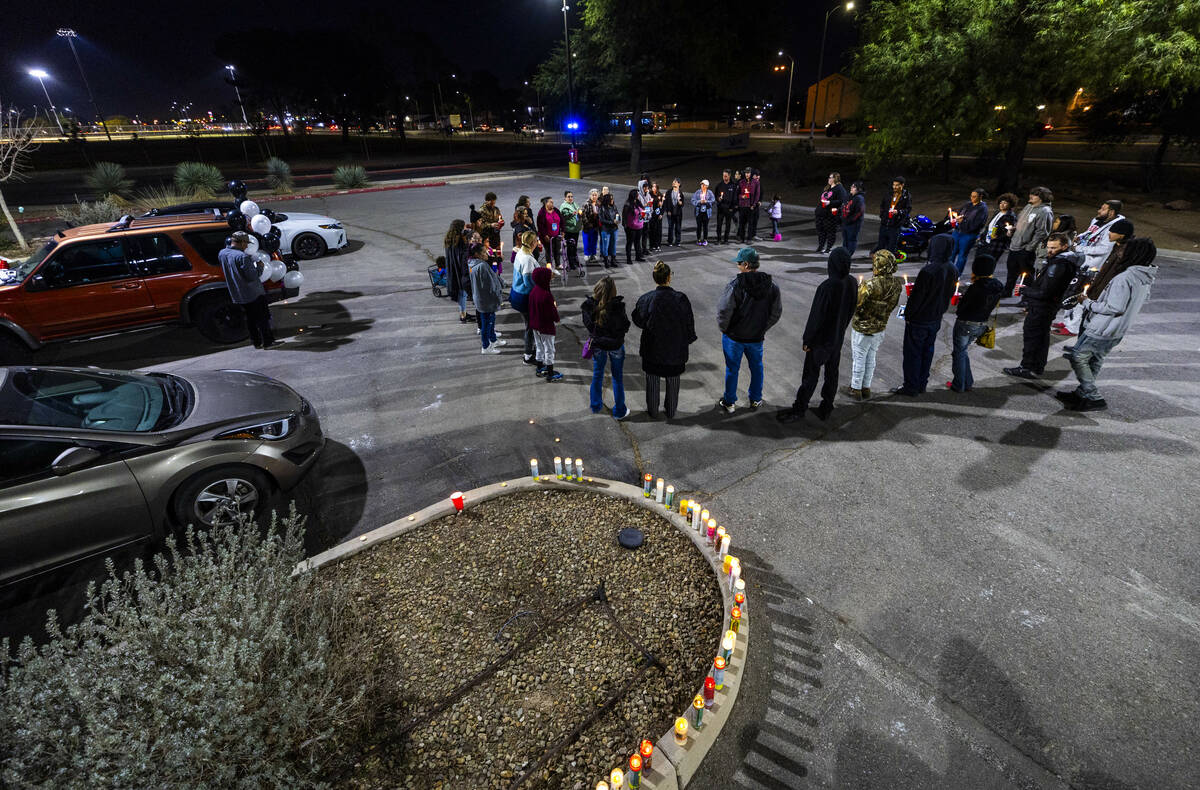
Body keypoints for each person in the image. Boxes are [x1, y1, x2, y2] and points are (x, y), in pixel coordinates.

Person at [1057, 236, 1157, 412]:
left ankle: (1093, 395)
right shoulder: (1145, 277)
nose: (1120, 251)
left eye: (1125, 250)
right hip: (1117, 329)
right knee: (1094, 360)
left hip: (1102, 327)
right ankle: (1082, 394)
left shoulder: (1125, 278)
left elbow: (1114, 307)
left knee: (1078, 357)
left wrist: (1086, 302)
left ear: (1134, 254)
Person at [777, 247, 858, 423]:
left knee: (810, 375)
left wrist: (808, 340)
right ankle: (827, 406)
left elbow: (817, 317)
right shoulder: (851, 282)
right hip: (837, 338)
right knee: (832, 374)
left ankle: (799, 409)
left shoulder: (828, 286)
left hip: (821, 341)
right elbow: (851, 309)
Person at [1003, 231, 1078, 379]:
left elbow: (1045, 292)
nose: (1049, 251)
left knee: (1033, 338)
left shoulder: (1059, 265)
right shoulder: (1065, 261)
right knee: (1042, 338)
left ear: (1064, 246)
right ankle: (1036, 367)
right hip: (1047, 307)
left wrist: (1026, 291)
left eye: (1054, 248)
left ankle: (1027, 367)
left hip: (1042, 308)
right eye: (1048, 247)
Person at [716, 247, 783, 413]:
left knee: (732, 369)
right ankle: (755, 399)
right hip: (756, 338)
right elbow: (776, 312)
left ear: (746, 265)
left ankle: (729, 402)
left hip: (735, 338)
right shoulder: (772, 286)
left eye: (739, 263)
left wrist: (725, 329)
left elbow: (724, 311)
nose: (738, 266)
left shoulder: (735, 285)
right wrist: (762, 328)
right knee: (757, 367)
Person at [892, 233, 957, 396]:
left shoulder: (928, 270)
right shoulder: (952, 269)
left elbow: (917, 298)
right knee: (927, 351)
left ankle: (911, 386)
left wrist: (909, 315)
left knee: (913, 354)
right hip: (935, 317)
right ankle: (921, 383)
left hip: (920, 319)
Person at [632, 261, 697, 419]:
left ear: (655, 278)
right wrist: (685, 341)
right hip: (675, 349)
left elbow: (638, 320)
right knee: (673, 382)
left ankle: (653, 411)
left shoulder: (646, 299)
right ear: (669, 277)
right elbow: (689, 323)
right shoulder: (681, 299)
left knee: (652, 382)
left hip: (652, 348)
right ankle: (670, 411)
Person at [1055, 206, 1127, 336]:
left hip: (1091, 266)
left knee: (1078, 295)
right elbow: (1089, 234)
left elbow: (1103, 249)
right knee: (1069, 293)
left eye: (1103, 209)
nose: (1099, 210)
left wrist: (1080, 249)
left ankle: (1073, 327)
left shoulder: (1114, 228)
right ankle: (1067, 322)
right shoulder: (1098, 221)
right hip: (1081, 261)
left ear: (1111, 212)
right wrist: (1079, 239)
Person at [845, 249, 902, 399]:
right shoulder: (897, 284)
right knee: (871, 357)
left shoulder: (870, 284)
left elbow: (856, 303)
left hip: (863, 328)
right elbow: (892, 305)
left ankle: (855, 388)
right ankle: (866, 387)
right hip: (880, 327)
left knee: (859, 358)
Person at [947, 253, 1005, 392]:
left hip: (966, 323)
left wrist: (960, 301)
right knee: (963, 351)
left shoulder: (976, 287)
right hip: (981, 324)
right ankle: (967, 381)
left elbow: (962, 309)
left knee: (958, 353)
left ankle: (959, 384)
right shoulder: (997, 286)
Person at [581, 276, 632, 419]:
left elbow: (588, 325)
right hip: (615, 345)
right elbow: (625, 326)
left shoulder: (589, 307)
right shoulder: (617, 307)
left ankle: (596, 405)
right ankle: (620, 410)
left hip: (598, 346)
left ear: (597, 289)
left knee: (597, 374)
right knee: (617, 377)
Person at [219, 231, 276, 349]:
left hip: (239, 293)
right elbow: (252, 276)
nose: (247, 246)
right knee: (262, 318)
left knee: (250, 319)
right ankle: (268, 342)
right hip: (253, 293)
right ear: (241, 243)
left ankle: (256, 342)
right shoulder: (243, 257)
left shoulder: (223, 253)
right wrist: (260, 266)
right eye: (246, 244)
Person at [1004, 186, 1054, 298]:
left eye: (1034, 194)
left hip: (1026, 249)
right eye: (1031, 193)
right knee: (1011, 271)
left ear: (1041, 197)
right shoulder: (1028, 206)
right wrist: (1013, 230)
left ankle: (1026, 297)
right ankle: (1007, 291)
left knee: (1026, 275)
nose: (1030, 196)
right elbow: (1020, 221)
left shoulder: (1045, 211)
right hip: (1014, 246)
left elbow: (1042, 232)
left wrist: (1029, 247)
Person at [468, 243, 505, 354]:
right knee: (486, 323)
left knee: (490, 320)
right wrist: (498, 293)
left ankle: (493, 339)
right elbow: (489, 285)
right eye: (484, 252)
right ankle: (486, 346)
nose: (487, 254)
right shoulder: (481, 266)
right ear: (477, 254)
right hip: (486, 299)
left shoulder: (473, 264)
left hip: (481, 298)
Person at [510, 230, 541, 365]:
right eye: (536, 241)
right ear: (533, 242)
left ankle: (531, 349)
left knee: (528, 324)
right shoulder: (527, 259)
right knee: (530, 326)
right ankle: (528, 355)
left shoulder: (521, 253)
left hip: (516, 293)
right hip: (524, 297)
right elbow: (528, 281)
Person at [528, 266, 563, 381]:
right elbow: (552, 313)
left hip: (535, 325)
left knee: (539, 346)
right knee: (549, 349)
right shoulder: (546, 295)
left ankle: (539, 368)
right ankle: (550, 373)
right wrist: (556, 315)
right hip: (545, 327)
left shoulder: (533, 291)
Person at [948, 188, 990, 276]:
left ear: (980, 196)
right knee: (951, 253)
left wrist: (963, 221)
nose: (972, 198)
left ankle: (956, 275)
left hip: (968, 234)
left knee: (962, 255)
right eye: (971, 196)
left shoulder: (983, 208)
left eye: (974, 196)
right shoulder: (968, 204)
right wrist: (955, 216)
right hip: (958, 231)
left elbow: (977, 224)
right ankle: (948, 272)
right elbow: (959, 212)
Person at [444, 219, 473, 323]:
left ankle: (463, 312)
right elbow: (463, 256)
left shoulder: (449, 239)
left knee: (462, 293)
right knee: (463, 293)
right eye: (464, 227)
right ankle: (463, 316)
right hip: (460, 270)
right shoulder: (459, 240)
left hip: (453, 269)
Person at [872, 177, 911, 254]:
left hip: (895, 226)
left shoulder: (906, 196)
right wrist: (882, 216)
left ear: (902, 185)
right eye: (893, 185)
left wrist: (898, 212)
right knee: (880, 246)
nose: (894, 187)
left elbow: (908, 209)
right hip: (884, 223)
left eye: (897, 185)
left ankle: (890, 264)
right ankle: (879, 263)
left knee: (891, 248)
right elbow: (882, 205)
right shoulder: (889, 193)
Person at [978, 192, 1018, 263]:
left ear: (1010, 204)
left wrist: (997, 238)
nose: (1002, 205)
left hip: (996, 244)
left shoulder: (1010, 216)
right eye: (1000, 203)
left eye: (1005, 203)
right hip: (986, 241)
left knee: (989, 264)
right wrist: (982, 236)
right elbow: (989, 225)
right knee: (980, 262)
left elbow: (1008, 233)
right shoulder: (997, 212)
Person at [815, 172, 848, 253]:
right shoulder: (827, 188)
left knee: (830, 232)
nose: (829, 179)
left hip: (830, 215)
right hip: (821, 214)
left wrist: (830, 203)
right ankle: (821, 246)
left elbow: (842, 201)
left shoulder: (840, 189)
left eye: (830, 177)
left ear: (835, 179)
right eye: (829, 177)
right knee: (820, 231)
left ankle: (828, 248)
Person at [536, 196, 563, 272]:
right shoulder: (541, 213)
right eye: (550, 202)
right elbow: (540, 226)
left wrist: (563, 231)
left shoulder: (556, 210)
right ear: (546, 203)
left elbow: (562, 221)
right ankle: (549, 265)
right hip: (547, 237)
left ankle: (558, 264)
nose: (552, 203)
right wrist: (545, 235)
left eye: (552, 202)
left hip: (556, 234)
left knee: (557, 250)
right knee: (549, 251)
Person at [559, 189, 582, 274]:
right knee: (570, 247)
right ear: (565, 198)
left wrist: (580, 214)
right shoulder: (564, 206)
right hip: (569, 230)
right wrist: (571, 214)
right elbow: (563, 217)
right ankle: (570, 263)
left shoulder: (574, 204)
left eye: (571, 196)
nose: (570, 198)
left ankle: (575, 261)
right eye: (568, 197)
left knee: (574, 246)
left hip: (575, 229)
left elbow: (578, 211)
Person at [841, 181, 866, 255]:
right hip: (846, 222)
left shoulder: (859, 198)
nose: (851, 188)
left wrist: (851, 220)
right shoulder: (849, 196)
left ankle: (848, 254)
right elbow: (844, 206)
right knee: (845, 239)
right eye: (851, 186)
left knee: (851, 239)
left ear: (859, 189)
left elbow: (860, 211)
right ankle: (844, 254)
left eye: (854, 187)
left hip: (853, 224)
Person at [622, 189, 646, 264]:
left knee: (637, 242)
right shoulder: (628, 204)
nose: (638, 195)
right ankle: (628, 258)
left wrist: (643, 214)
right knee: (629, 243)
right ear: (634, 195)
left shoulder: (638, 202)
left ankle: (638, 256)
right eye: (637, 194)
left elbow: (642, 210)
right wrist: (625, 226)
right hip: (631, 227)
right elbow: (624, 216)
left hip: (639, 226)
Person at [735, 170, 759, 243]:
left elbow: (757, 195)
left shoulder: (756, 182)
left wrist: (754, 204)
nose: (747, 174)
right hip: (742, 206)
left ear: (751, 174)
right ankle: (741, 239)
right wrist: (742, 196)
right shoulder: (741, 182)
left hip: (750, 206)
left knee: (750, 223)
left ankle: (749, 239)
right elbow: (737, 194)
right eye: (746, 173)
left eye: (748, 173)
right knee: (742, 223)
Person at [715, 169, 738, 244]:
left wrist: (732, 208)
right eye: (723, 176)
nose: (724, 177)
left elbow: (735, 198)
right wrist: (718, 199)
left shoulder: (733, 185)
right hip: (721, 208)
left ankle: (726, 240)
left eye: (726, 176)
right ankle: (718, 239)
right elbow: (716, 196)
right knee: (719, 225)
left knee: (728, 225)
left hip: (729, 209)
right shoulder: (719, 185)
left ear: (729, 176)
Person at [598, 192, 619, 268]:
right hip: (606, 230)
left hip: (614, 229)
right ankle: (606, 261)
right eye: (611, 199)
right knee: (605, 246)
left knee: (613, 245)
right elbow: (602, 220)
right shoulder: (602, 208)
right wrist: (612, 222)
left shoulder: (614, 206)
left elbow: (617, 214)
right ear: (607, 200)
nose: (613, 200)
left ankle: (613, 260)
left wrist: (618, 220)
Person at [692, 179, 715, 245]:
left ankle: (705, 239)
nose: (702, 185)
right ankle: (698, 239)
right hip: (698, 212)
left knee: (705, 226)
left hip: (706, 212)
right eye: (701, 184)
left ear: (707, 186)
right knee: (699, 226)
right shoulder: (697, 192)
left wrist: (707, 202)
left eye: (703, 184)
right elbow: (693, 200)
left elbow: (713, 201)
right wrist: (699, 202)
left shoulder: (710, 193)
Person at [581, 188, 601, 264]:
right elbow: (583, 216)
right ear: (590, 196)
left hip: (595, 226)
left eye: (596, 195)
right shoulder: (586, 204)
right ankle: (587, 254)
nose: (594, 196)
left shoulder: (599, 204)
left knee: (594, 241)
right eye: (593, 195)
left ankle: (593, 254)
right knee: (586, 241)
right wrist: (588, 224)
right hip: (587, 226)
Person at [664, 178, 685, 247]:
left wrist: (680, 203)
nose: (673, 183)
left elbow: (682, 204)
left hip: (678, 213)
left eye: (675, 182)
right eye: (673, 182)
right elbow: (666, 202)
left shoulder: (680, 193)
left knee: (678, 227)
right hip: (670, 212)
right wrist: (667, 211)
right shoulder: (669, 192)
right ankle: (670, 241)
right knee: (670, 227)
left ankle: (678, 241)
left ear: (679, 184)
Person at [648, 182, 664, 253]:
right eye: (652, 187)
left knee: (658, 230)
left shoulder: (660, 195)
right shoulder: (649, 195)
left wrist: (661, 213)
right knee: (652, 230)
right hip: (652, 214)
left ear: (657, 188)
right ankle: (652, 245)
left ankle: (658, 245)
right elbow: (648, 205)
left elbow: (662, 206)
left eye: (655, 187)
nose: (654, 188)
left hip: (658, 215)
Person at [638, 182, 653, 257]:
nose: (646, 188)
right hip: (640, 219)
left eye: (647, 187)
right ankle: (639, 250)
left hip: (647, 218)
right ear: (641, 187)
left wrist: (650, 208)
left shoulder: (648, 195)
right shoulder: (638, 196)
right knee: (639, 235)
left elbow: (650, 205)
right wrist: (645, 205)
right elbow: (638, 207)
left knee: (645, 234)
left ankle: (644, 249)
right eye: (644, 187)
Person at [748, 169, 764, 240]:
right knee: (750, 221)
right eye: (756, 175)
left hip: (756, 206)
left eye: (758, 175)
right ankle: (749, 236)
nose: (757, 176)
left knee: (755, 220)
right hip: (750, 205)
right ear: (753, 176)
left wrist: (760, 201)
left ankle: (753, 235)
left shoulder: (759, 184)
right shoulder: (750, 183)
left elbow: (761, 193)